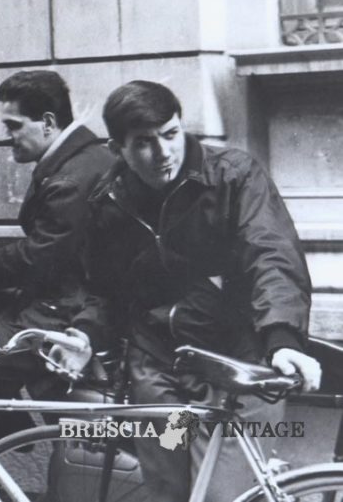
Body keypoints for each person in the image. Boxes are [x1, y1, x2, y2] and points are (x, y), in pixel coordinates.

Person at [74, 80, 321, 502]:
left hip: (239, 371)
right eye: (144, 143)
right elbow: (104, 291)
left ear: (182, 125)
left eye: (171, 134)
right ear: (118, 148)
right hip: (163, 376)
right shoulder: (109, 201)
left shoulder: (233, 176)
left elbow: (272, 255)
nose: (164, 152)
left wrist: (282, 339)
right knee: (171, 490)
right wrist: (84, 336)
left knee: (222, 496)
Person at [0, 71, 112, 431]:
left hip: (61, 312)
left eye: (14, 126)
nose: (8, 138)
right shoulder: (76, 160)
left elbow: (39, 257)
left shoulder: (71, 178)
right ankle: (4, 425)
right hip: (56, 299)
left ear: (47, 122)